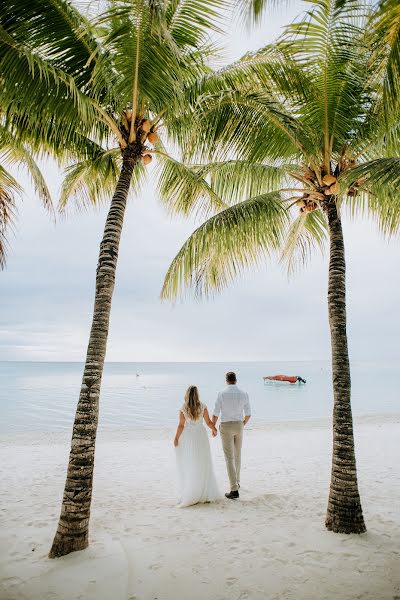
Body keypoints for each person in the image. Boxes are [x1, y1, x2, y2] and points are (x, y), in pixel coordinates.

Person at [174, 385, 221, 507]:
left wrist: (176, 438)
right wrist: (214, 429)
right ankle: (203, 492)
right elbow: (208, 422)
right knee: (203, 461)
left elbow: (181, 425)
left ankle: (192, 490)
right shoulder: (203, 406)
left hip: (189, 437)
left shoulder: (184, 408)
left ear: (187, 395)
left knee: (191, 462)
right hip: (201, 435)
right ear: (197, 395)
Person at [213, 371, 251, 500]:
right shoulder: (244, 393)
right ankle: (237, 482)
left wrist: (213, 427)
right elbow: (248, 413)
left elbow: (216, 412)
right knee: (238, 454)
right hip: (239, 425)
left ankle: (234, 489)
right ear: (236, 380)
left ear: (226, 380)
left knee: (229, 457)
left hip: (226, 425)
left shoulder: (222, 393)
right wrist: (242, 424)